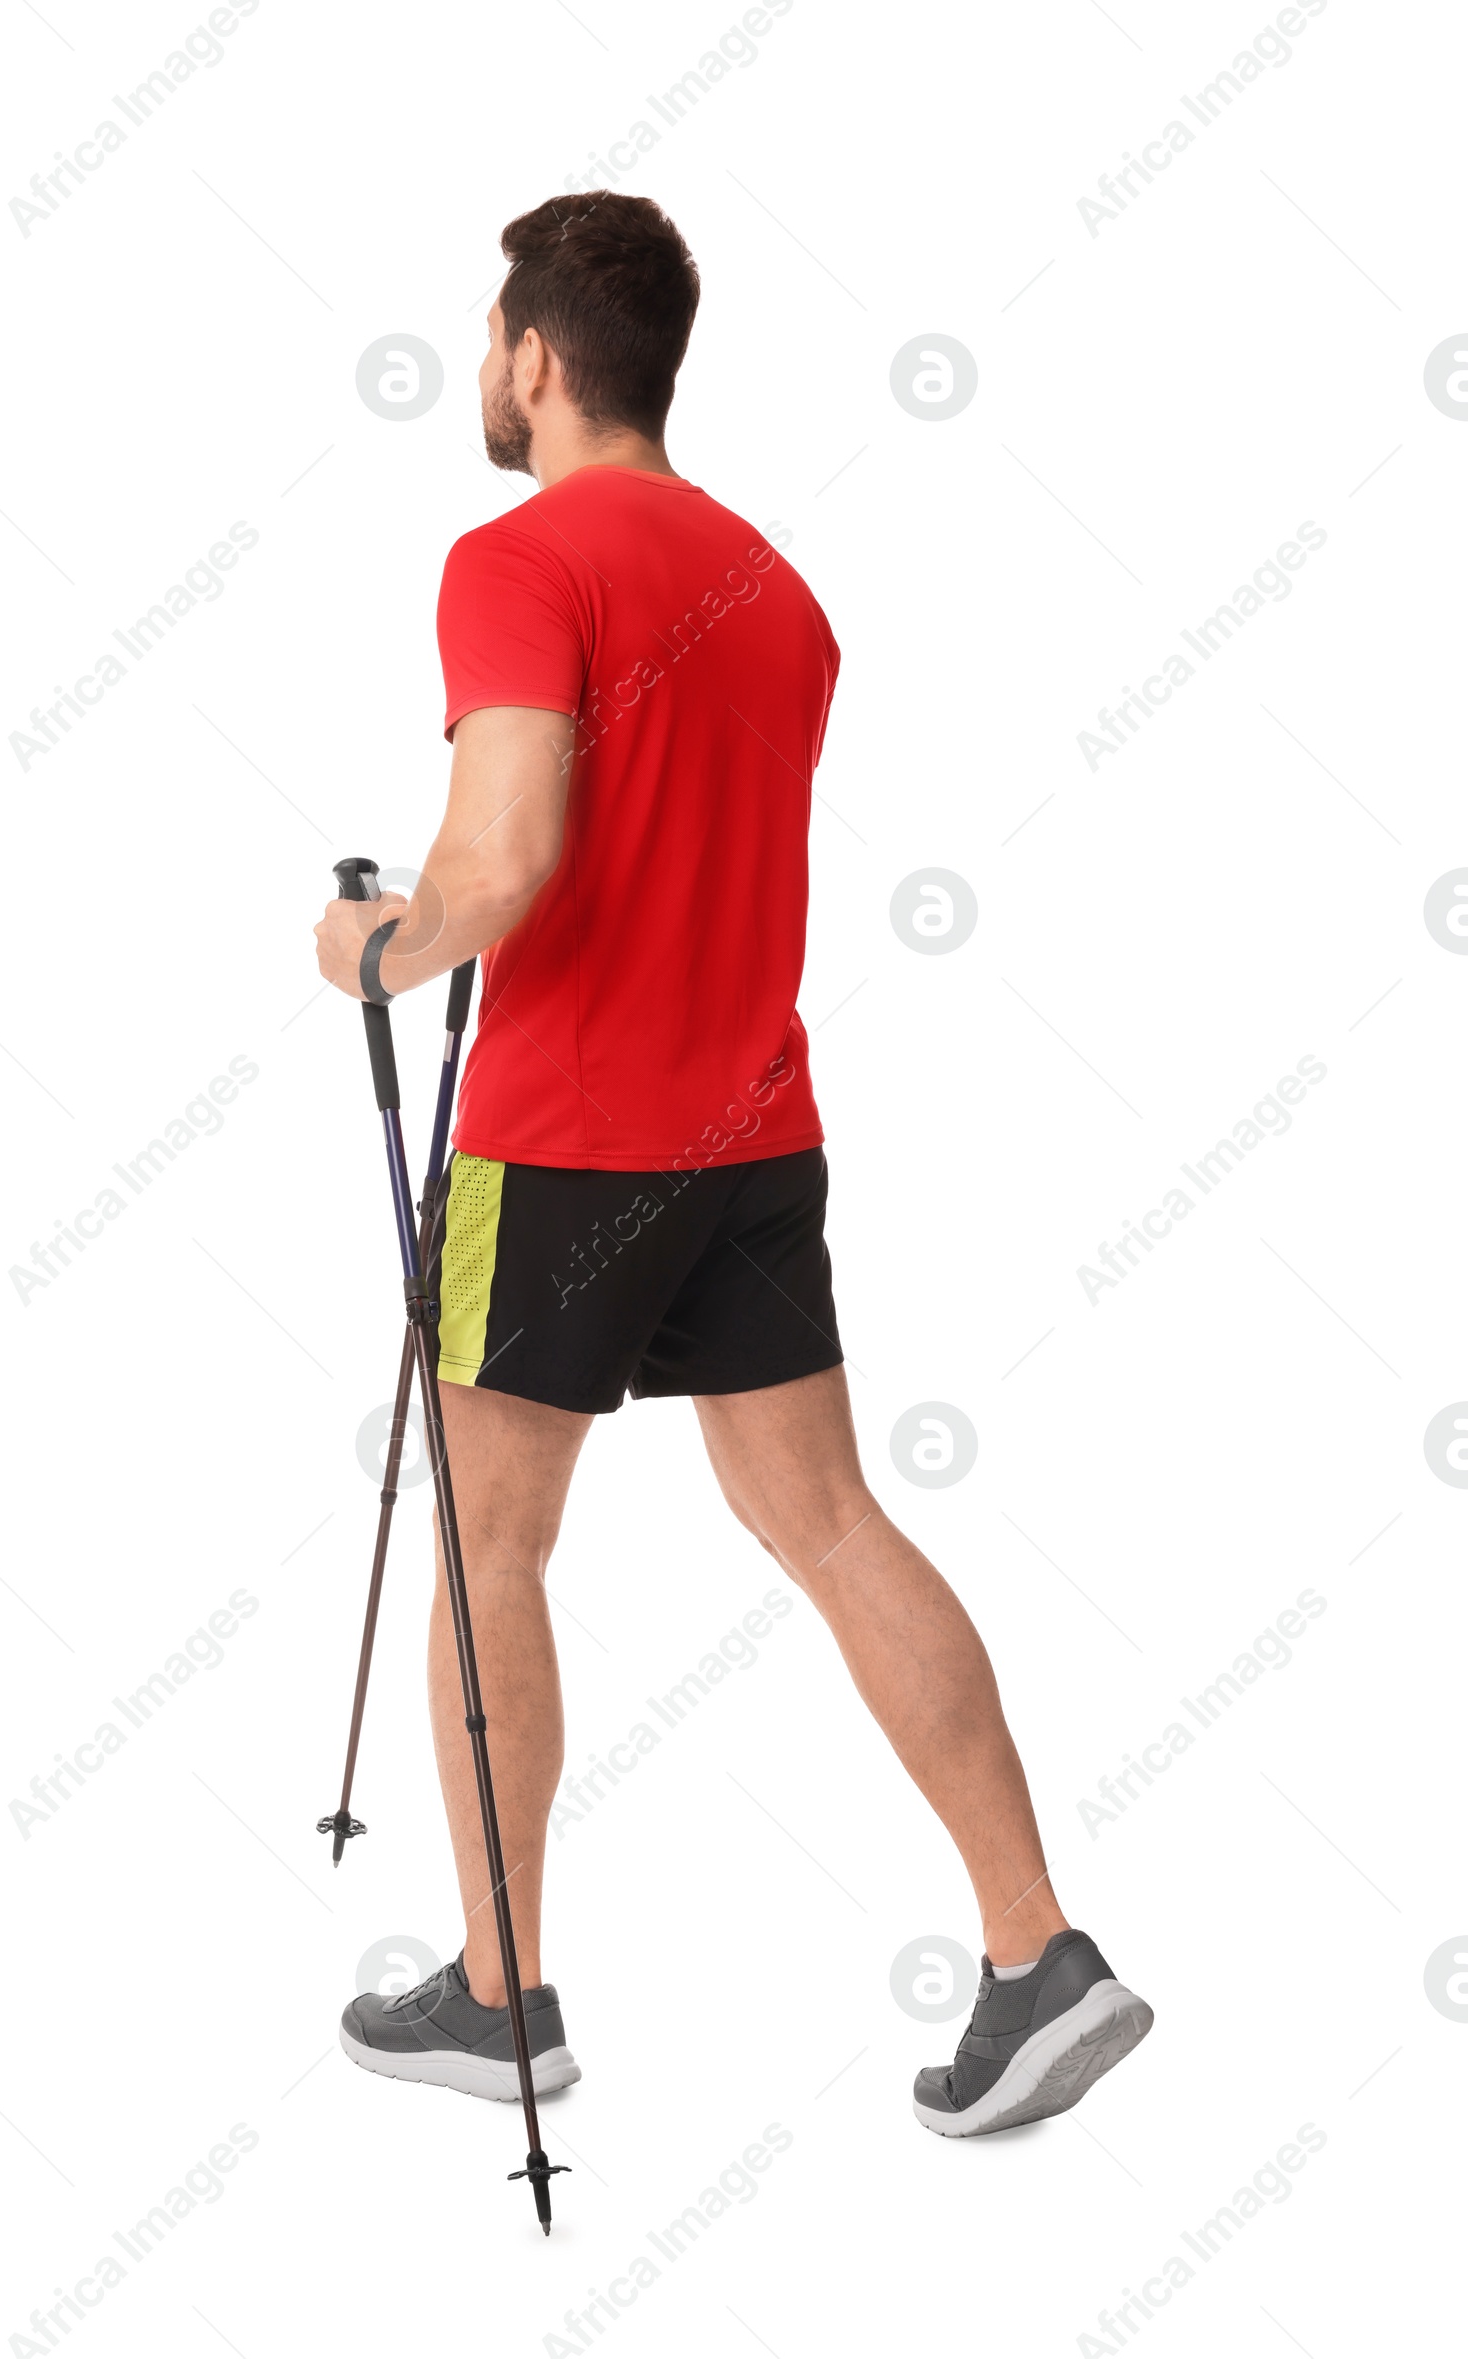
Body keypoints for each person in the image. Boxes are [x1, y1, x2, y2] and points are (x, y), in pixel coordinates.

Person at [314, 191, 1152, 2137]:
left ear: (534, 352)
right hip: (749, 1132)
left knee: (487, 1543)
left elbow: (503, 859)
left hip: (557, 1142)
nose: (479, 365)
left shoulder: (513, 557)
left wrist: (370, 942)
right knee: (831, 1523)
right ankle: (1037, 1950)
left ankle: (500, 1997)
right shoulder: (774, 585)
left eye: (485, 334)